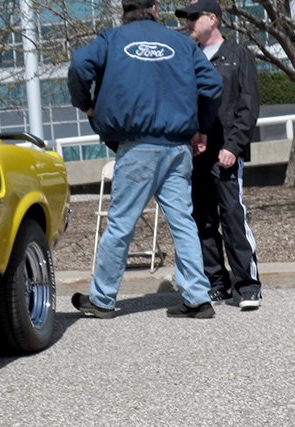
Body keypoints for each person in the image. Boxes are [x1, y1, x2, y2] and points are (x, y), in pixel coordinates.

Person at [67, 0, 223, 319]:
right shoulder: (181, 42)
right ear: (154, 8)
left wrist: (87, 105)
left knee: (121, 224)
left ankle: (102, 299)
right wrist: (202, 129)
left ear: (124, 10)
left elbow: (79, 67)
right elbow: (213, 84)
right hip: (178, 149)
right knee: (182, 223)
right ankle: (197, 297)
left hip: (138, 148)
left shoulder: (111, 39)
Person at [177, 0, 262, 310]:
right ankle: (217, 284)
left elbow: (248, 106)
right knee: (203, 221)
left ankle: (248, 287)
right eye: (186, 18)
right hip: (196, 154)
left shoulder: (239, 55)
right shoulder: (189, 57)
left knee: (233, 218)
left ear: (213, 19)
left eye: (193, 17)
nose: (188, 23)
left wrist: (233, 147)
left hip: (226, 154)